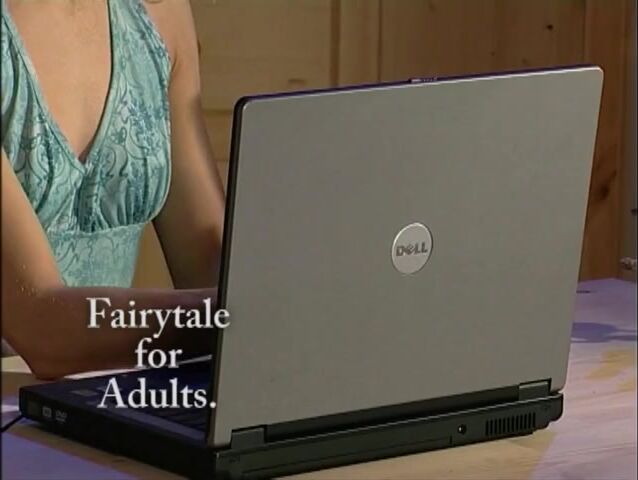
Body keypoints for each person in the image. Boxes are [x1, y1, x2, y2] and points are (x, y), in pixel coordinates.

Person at [1, 0, 226, 379]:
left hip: (104, 400)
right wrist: (236, 315)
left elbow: (210, 262)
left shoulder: (159, 12)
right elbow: (43, 326)